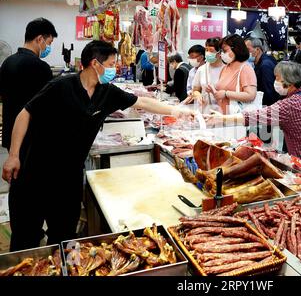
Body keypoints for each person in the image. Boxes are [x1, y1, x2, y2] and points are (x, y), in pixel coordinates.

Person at [2, 40, 194, 251]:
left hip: (69, 176)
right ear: (95, 63)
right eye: (112, 64)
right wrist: (13, 155)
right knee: (25, 238)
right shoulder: (61, 86)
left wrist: (176, 111)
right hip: (35, 171)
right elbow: (25, 114)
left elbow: (141, 102)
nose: (115, 68)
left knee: (63, 237)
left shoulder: (107, 92)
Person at [206, 61, 301, 174]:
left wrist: (223, 118)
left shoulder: (289, 105)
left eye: (277, 78)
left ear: (289, 81)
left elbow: (255, 116)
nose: (274, 81)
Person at [0, 18, 57, 151]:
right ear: (39, 39)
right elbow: (47, 106)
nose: (48, 47)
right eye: (49, 43)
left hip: (11, 133)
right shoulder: (40, 67)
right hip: (31, 136)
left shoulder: (8, 62)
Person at [212, 34, 257, 114]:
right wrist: (214, 91)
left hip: (237, 118)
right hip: (223, 115)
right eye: (221, 51)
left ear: (236, 49)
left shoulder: (245, 68)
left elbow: (251, 95)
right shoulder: (225, 68)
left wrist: (226, 93)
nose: (222, 54)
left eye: (225, 50)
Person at [191, 37, 225, 110]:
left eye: (211, 50)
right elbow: (195, 90)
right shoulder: (201, 70)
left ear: (219, 53)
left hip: (222, 110)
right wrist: (198, 96)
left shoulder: (227, 69)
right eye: (206, 50)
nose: (208, 53)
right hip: (204, 109)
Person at [245, 38, 280, 106]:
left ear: (257, 50)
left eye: (248, 49)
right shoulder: (261, 61)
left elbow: (269, 91)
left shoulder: (265, 65)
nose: (245, 52)